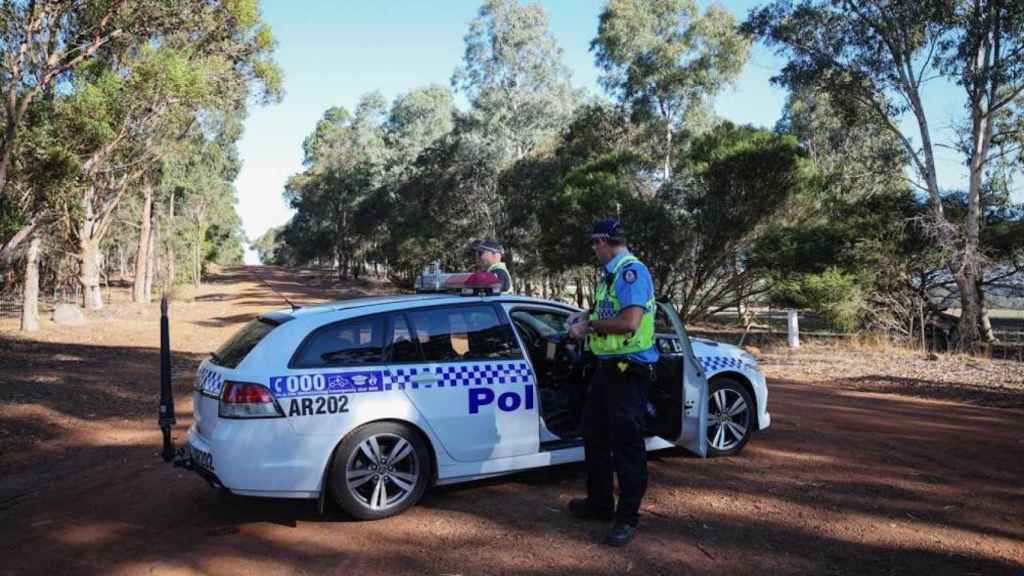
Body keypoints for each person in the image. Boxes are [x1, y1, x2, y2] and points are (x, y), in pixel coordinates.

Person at [566, 218, 658, 547]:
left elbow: (629, 322)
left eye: (595, 244)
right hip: (607, 369)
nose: (594, 250)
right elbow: (608, 311)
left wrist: (588, 328)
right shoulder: (610, 275)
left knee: (626, 447)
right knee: (594, 436)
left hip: (628, 371)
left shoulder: (631, 272)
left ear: (604, 242)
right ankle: (600, 504)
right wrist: (585, 318)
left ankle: (627, 518)